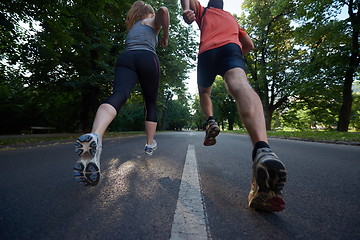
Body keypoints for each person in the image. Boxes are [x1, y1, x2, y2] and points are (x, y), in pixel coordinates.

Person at [180, 0, 287, 212]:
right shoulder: (232, 19)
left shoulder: (205, 11)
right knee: (240, 85)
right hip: (232, 48)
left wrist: (186, 10)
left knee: (204, 91)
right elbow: (249, 44)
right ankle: (263, 150)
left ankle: (210, 120)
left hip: (208, 51)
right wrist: (235, 59)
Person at [73, 1, 169, 186]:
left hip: (126, 58)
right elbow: (164, 11)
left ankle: (95, 136)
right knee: (150, 103)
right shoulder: (150, 21)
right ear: (148, 14)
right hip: (146, 58)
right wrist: (165, 35)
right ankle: (150, 144)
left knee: (119, 95)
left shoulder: (132, 28)